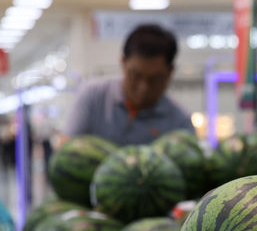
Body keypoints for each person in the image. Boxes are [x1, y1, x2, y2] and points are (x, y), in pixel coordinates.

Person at [62, 24, 194, 146]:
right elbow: (65, 150)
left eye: (154, 79)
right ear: (123, 63)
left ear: (170, 71)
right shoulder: (93, 96)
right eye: (136, 75)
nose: (143, 87)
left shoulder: (180, 123)